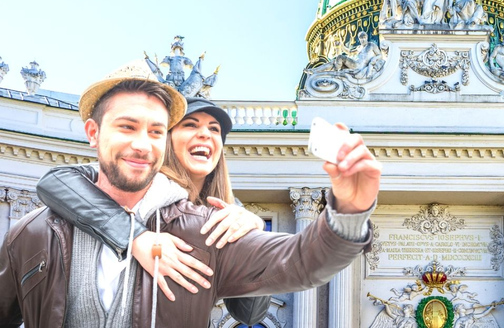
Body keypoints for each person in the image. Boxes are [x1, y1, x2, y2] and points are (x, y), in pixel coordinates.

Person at [0, 66, 381, 327]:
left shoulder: (209, 228)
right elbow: (55, 180)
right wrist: (135, 236)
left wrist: (349, 210)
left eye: (153, 130)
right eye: (127, 127)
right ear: (93, 133)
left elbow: (296, 265)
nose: (141, 143)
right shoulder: (34, 231)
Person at [35, 96, 272, 325]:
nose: (204, 134)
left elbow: (249, 314)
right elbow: (55, 180)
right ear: (166, 139)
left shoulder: (229, 212)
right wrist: (136, 236)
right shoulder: (135, 180)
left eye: (214, 129)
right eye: (190, 125)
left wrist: (256, 239)